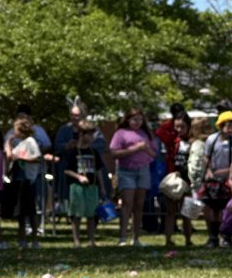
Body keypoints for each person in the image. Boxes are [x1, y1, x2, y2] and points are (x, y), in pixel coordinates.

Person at [110, 106, 156, 248]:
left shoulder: (145, 134)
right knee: (127, 203)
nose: (137, 122)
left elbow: (154, 154)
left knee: (139, 204)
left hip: (143, 170)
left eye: (140, 119)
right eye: (134, 119)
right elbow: (114, 153)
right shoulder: (120, 133)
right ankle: (123, 237)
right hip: (126, 171)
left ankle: (136, 238)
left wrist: (145, 148)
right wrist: (135, 148)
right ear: (128, 119)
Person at [62, 120, 105, 246]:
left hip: (92, 187)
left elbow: (98, 170)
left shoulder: (94, 152)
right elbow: (66, 169)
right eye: (89, 135)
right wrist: (78, 177)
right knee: (77, 215)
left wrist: (102, 187)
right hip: (77, 187)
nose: (92, 138)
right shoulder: (73, 152)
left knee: (92, 214)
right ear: (81, 134)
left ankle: (91, 240)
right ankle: (77, 240)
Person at [201, 111, 232, 247]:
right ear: (221, 125)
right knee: (213, 209)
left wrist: (230, 173)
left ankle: (227, 237)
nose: (231, 128)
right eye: (228, 124)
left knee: (228, 209)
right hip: (213, 180)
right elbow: (206, 157)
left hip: (228, 178)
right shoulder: (212, 140)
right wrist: (209, 171)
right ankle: (213, 237)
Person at [8, 115, 43, 249]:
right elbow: (11, 157)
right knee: (20, 212)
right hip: (18, 180)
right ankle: (22, 239)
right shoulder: (19, 144)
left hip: (28, 180)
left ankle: (34, 239)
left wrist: (21, 158)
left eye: (15, 129)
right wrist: (10, 144)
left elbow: (37, 158)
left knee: (31, 211)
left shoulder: (30, 142)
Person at [161, 114, 194, 248]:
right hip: (172, 179)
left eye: (182, 126)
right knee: (170, 212)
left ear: (188, 126)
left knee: (186, 212)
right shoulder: (171, 141)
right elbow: (160, 132)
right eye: (176, 126)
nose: (179, 129)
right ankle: (168, 239)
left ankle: (188, 240)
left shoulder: (192, 142)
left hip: (187, 180)